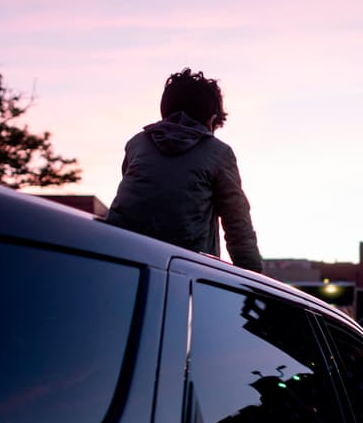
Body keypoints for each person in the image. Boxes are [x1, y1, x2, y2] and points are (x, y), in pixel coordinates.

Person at [105, 68, 263, 272]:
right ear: (212, 119)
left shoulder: (136, 144)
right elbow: (238, 227)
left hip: (121, 262)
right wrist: (254, 287)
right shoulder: (218, 153)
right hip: (185, 272)